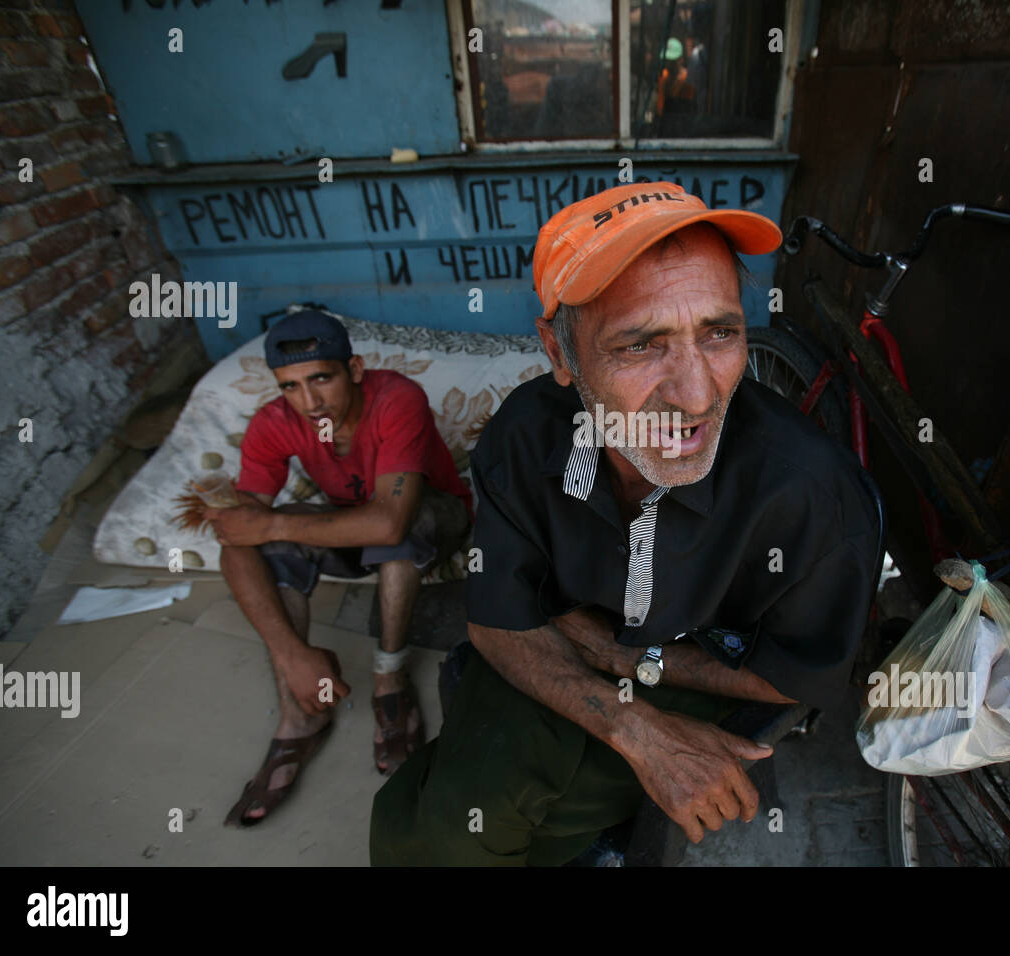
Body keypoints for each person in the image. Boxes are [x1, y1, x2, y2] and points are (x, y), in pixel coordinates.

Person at [370, 182, 880, 865]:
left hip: (692, 676)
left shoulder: (813, 496)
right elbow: (497, 618)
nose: (697, 395)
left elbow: (799, 676)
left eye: (720, 333)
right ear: (558, 351)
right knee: (439, 829)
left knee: (484, 830)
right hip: (554, 646)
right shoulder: (524, 439)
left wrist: (628, 658)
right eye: (641, 346)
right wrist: (634, 726)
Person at [207, 309, 473, 827]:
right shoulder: (274, 424)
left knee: (394, 528)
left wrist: (272, 524)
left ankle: (388, 682)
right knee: (267, 544)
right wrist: (292, 655)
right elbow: (238, 539)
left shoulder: (397, 397)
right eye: (290, 387)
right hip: (351, 527)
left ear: (353, 369)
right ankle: (298, 719)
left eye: (321, 379)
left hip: (432, 521)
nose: (309, 402)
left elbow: (391, 521)